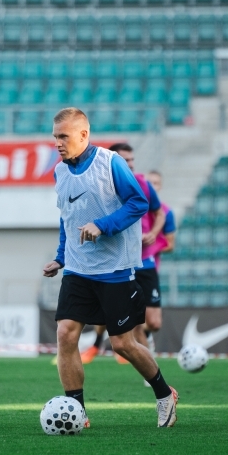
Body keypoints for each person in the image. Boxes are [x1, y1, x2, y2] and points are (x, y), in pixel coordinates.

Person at [42, 107, 178, 428]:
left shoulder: (110, 163)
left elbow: (139, 203)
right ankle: (77, 411)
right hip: (77, 269)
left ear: (83, 135)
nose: (58, 143)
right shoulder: (60, 172)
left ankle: (164, 395)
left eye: (63, 137)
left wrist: (103, 225)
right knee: (66, 334)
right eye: (55, 137)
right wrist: (61, 257)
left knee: (123, 344)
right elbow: (67, 218)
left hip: (115, 269)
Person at [80, 143, 167, 363]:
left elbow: (160, 213)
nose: (130, 164)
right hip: (118, 262)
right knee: (125, 318)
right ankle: (146, 366)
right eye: (125, 160)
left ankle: (136, 345)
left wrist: (154, 233)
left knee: (153, 322)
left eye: (131, 160)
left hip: (145, 261)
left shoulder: (142, 184)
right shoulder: (100, 188)